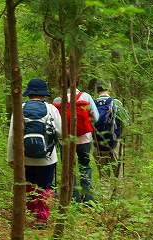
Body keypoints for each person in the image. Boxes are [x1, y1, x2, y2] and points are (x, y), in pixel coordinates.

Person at [7, 78, 62, 226]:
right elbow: (61, 133)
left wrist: (11, 157)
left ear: (29, 93)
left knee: (29, 184)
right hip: (48, 157)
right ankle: (41, 218)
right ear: (44, 94)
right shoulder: (51, 109)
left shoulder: (20, 108)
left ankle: (31, 209)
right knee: (46, 185)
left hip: (24, 157)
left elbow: (12, 134)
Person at [53, 72, 99, 204]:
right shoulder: (86, 97)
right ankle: (88, 198)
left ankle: (73, 198)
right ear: (76, 81)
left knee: (69, 168)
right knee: (85, 165)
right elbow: (96, 117)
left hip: (66, 140)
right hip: (84, 138)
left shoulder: (57, 100)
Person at [93, 80, 129, 180]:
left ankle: (103, 196)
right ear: (109, 89)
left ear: (97, 90)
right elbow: (126, 122)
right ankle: (118, 195)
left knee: (104, 177)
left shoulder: (92, 104)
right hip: (114, 144)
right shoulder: (116, 103)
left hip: (97, 145)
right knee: (118, 177)